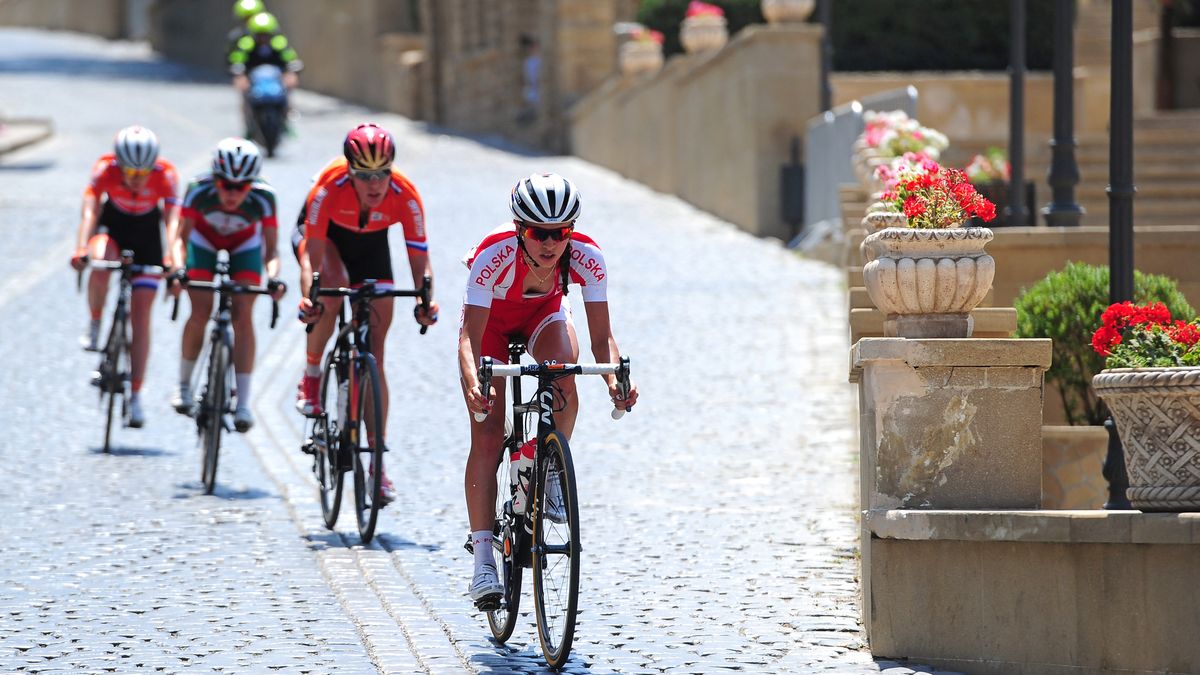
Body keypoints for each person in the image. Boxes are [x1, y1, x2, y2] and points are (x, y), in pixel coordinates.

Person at [457, 172, 638, 606]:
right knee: (486, 433)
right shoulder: (492, 255)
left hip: (544, 316)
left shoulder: (587, 256)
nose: (549, 243)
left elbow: (601, 340)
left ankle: (551, 469)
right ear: (521, 230)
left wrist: (615, 378)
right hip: (492, 329)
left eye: (559, 233)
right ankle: (484, 559)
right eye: (539, 233)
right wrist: (472, 383)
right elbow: (469, 338)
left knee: (563, 376)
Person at [295, 123, 440, 503]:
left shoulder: (404, 195)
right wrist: (308, 296)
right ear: (350, 171)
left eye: (381, 175)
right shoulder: (328, 186)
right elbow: (310, 253)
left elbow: (418, 257)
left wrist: (425, 300)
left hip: (370, 247)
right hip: (324, 241)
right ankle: (311, 374)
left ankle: (378, 466)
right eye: (364, 176)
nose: (374, 184)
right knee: (330, 284)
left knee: (375, 352)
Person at [166, 138, 284, 432]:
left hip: (244, 245)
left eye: (240, 187)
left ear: (252, 183)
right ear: (214, 179)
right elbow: (181, 239)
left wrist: (273, 278)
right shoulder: (198, 189)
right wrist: (179, 269)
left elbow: (271, 252)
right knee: (200, 310)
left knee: (243, 314)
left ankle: (243, 402)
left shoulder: (265, 197)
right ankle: (183, 386)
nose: (232, 194)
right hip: (203, 243)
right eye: (225, 185)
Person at [70, 126, 180, 428]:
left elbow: (172, 221)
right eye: (129, 171)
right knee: (101, 258)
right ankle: (95, 323)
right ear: (119, 164)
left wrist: (172, 258)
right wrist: (81, 247)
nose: (135, 178)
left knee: (141, 315)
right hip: (113, 228)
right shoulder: (105, 169)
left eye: (142, 172)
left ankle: (135, 396)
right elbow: (90, 211)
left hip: (147, 238)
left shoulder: (166, 175)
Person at [229, 11, 302, 136]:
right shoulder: (246, 44)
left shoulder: (279, 43)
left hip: (275, 79)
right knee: (245, 96)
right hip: (254, 80)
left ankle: (287, 119)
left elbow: (291, 58)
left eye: (266, 35)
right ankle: (248, 126)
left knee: (287, 93)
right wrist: (239, 74)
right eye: (259, 35)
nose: (263, 38)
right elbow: (237, 59)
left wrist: (292, 72)